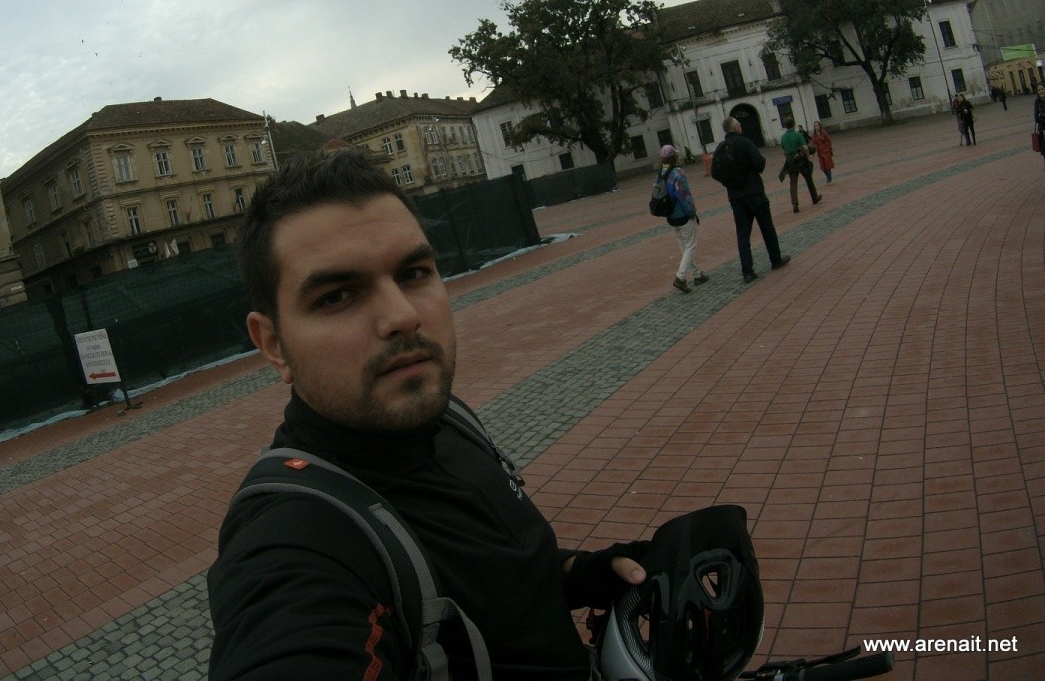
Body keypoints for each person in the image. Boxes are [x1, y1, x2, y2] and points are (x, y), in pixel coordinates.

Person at [207, 148, 648, 679]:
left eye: (414, 273)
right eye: (337, 296)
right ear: (274, 344)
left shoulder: (450, 419)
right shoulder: (294, 540)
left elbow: (492, 577)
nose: (402, 315)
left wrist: (583, 573)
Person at [718, 117, 790, 282]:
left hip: (735, 197)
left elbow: (715, 171)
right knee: (767, 227)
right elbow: (759, 163)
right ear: (734, 127)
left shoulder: (721, 148)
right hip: (754, 192)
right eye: (739, 124)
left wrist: (729, 181)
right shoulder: (745, 142)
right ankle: (775, 259)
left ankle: (747, 271)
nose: (741, 126)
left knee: (743, 235)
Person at [658, 144, 708, 294]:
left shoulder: (661, 174)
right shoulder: (677, 173)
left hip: (670, 217)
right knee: (690, 246)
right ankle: (680, 277)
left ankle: (697, 275)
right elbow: (683, 195)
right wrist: (691, 212)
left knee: (684, 247)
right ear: (675, 157)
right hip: (682, 216)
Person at [779, 117, 821, 213]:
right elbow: (805, 148)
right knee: (808, 178)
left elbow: (784, 149)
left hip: (790, 161)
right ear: (793, 124)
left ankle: (795, 204)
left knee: (793, 183)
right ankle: (814, 197)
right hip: (801, 160)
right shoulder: (798, 135)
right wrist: (808, 157)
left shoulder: (783, 137)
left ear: (785, 126)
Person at [1035, 83, 1045, 171]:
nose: (1041, 91)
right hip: (1043, 131)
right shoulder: (1037, 101)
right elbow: (1036, 118)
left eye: (1042, 89)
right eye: (1039, 90)